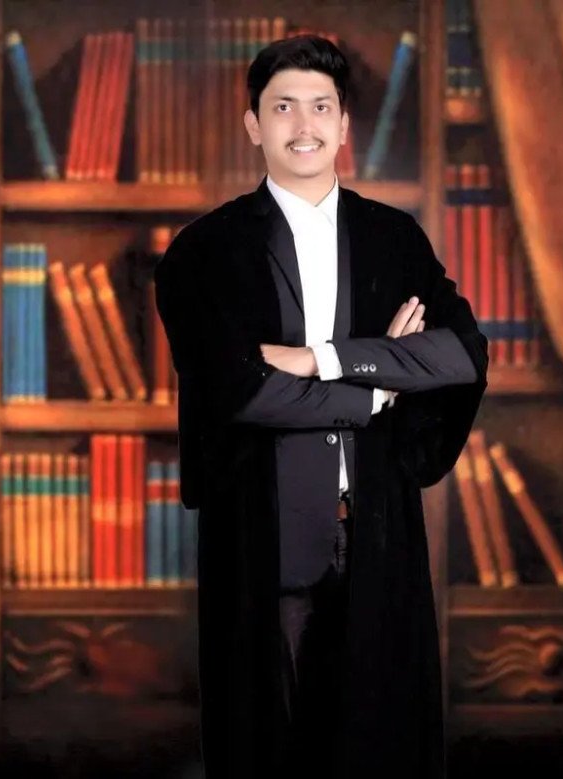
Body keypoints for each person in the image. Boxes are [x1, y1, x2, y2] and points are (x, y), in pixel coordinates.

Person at [155, 34, 488, 779]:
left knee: (380, 747)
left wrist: (322, 359)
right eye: (283, 108)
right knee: (267, 748)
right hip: (261, 531)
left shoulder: (394, 238)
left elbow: (463, 355)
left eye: (320, 107)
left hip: (375, 526)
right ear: (254, 125)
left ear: (343, 126)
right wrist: (380, 386)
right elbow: (238, 390)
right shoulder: (204, 251)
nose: (303, 125)